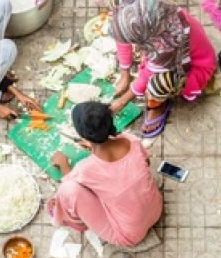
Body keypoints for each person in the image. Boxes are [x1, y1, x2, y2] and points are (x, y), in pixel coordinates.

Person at [46, 101, 163, 247]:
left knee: (68, 190)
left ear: (84, 136)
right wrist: (95, 145)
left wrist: (63, 164)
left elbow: (69, 184)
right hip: (156, 209)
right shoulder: (131, 140)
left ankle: (76, 222)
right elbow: (145, 163)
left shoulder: (85, 169)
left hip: (129, 235)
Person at [108, 0, 216, 138]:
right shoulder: (146, 10)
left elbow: (147, 76)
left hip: (194, 66)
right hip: (170, 49)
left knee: (159, 84)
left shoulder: (165, 47)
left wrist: (122, 101)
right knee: (117, 2)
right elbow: (122, 34)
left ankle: (158, 107)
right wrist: (124, 73)